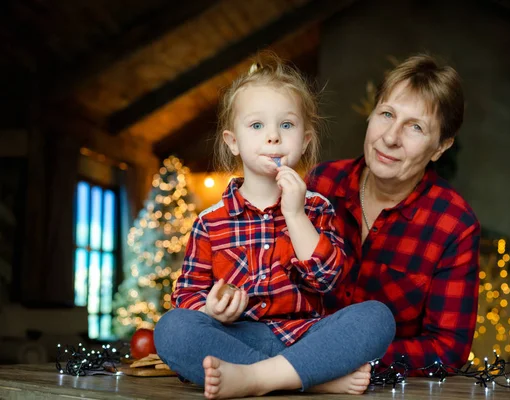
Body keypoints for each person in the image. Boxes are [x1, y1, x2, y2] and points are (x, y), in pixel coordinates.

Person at [154, 53, 395, 399]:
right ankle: (312, 379)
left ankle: (256, 379)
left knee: (376, 318)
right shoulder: (209, 222)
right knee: (171, 329)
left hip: (305, 335)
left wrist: (295, 215)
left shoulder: (316, 207)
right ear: (232, 141)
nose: (273, 138)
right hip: (237, 335)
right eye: (256, 126)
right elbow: (186, 295)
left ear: (306, 140)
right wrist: (211, 308)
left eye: (286, 125)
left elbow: (327, 280)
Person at [306, 54, 481, 373]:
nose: (390, 138)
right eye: (386, 114)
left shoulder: (454, 224)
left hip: (380, 387)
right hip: (285, 368)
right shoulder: (319, 184)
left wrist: (342, 358)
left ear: (441, 147)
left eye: (415, 127)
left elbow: (448, 349)